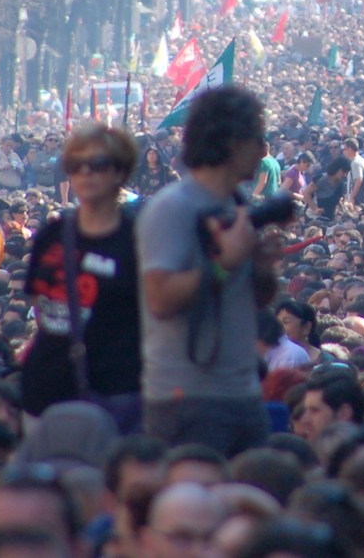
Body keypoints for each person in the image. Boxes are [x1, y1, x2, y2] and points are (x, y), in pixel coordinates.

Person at [138, 86, 281, 456]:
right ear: (233, 143)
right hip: (188, 399)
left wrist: (259, 265)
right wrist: (224, 263)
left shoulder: (236, 205)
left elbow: (251, 297)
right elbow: (160, 298)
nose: (263, 151)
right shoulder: (173, 207)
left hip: (242, 391)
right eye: (257, 140)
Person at [20, 125, 144, 431]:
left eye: (97, 164)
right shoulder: (51, 234)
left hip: (113, 391)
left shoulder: (138, 240)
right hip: (45, 386)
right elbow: (38, 301)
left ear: (120, 172)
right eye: (76, 165)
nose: (85, 173)